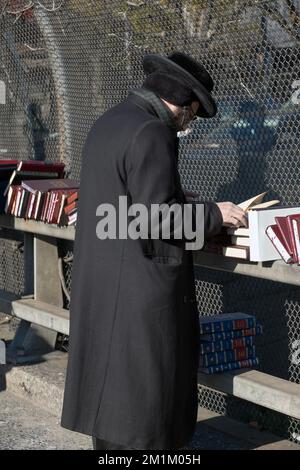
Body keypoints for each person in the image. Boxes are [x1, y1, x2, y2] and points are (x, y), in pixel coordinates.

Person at [60, 52, 247, 450]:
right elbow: (157, 219)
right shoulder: (152, 132)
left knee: (111, 408)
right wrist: (216, 213)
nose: (189, 124)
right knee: (147, 411)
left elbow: (125, 201)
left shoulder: (110, 121)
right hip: (142, 293)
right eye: (193, 114)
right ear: (181, 103)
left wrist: (179, 199)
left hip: (105, 282)